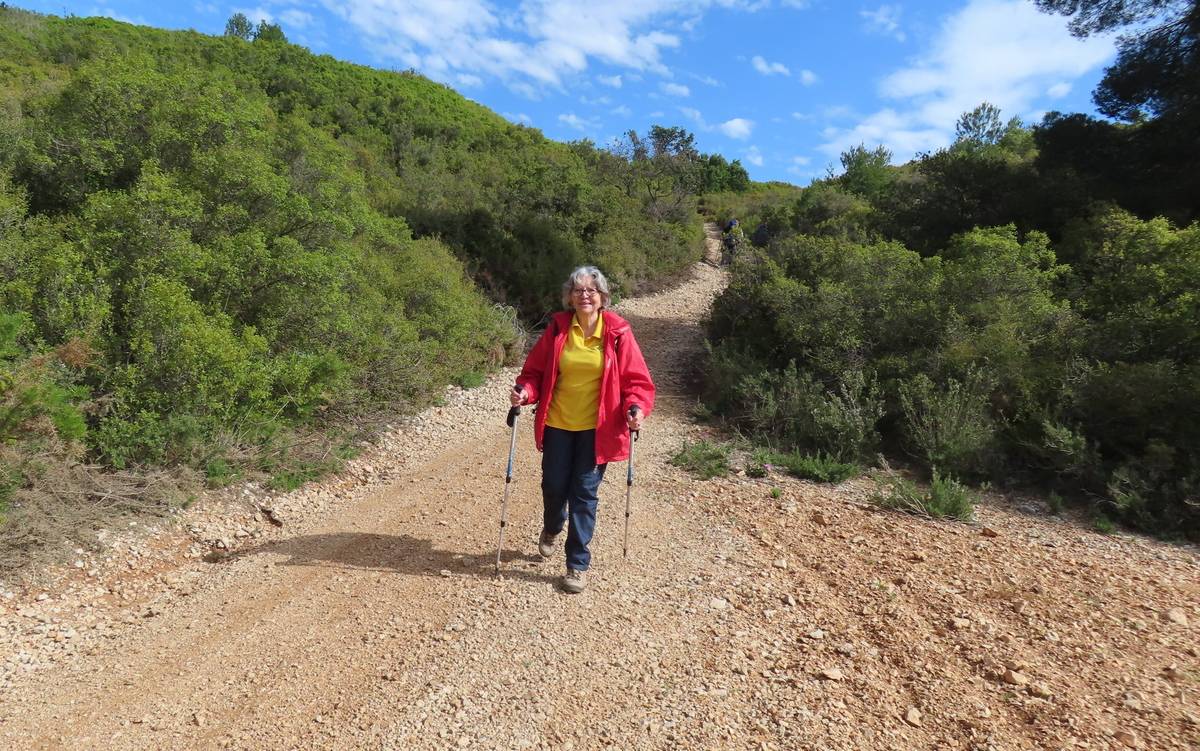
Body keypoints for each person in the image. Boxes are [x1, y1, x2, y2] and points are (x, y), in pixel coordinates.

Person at [510, 266, 655, 593]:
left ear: (603, 296)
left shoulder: (618, 333)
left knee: (584, 493)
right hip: (558, 424)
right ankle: (551, 527)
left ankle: (577, 564)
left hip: (597, 429)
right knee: (553, 487)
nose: (584, 295)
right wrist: (525, 392)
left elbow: (637, 381)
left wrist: (637, 407)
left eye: (591, 290)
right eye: (578, 290)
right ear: (570, 297)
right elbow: (533, 373)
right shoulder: (559, 329)